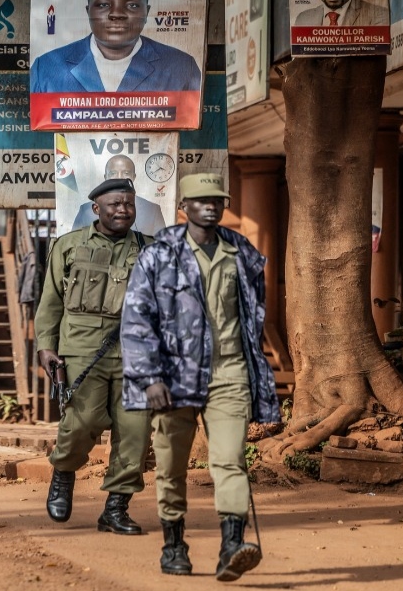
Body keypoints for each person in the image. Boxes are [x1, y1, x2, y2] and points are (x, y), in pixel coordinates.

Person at [121, 173, 280, 581]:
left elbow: (252, 316)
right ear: (184, 207)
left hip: (230, 373)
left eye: (217, 200)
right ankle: (174, 544)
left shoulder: (241, 252)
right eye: (201, 200)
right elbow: (137, 320)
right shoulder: (160, 254)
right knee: (171, 465)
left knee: (230, 460)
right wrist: (149, 376)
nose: (211, 206)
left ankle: (232, 546)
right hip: (173, 377)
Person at [36, 178, 152, 535]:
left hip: (137, 350)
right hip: (82, 348)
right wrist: (46, 346)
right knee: (81, 423)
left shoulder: (152, 251)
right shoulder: (69, 247)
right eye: (115, 204)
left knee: (135, 432)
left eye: (129, 204)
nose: (123, 210)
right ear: (96, 209)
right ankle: (63, 474)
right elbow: (51, 300)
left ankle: (116, 508)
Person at [31, 0, 202, 93]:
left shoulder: (181, 67)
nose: (117, 14)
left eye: (132, 5)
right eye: (104, 5)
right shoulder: (47, 68)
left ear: (147, 12)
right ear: (88, 10)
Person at [71, 155, 166, 235]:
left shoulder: (152, 210)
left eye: (126, 173)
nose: (119, 177)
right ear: (105, 177)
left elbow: (163, 249)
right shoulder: (86, 210)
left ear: (134, 177)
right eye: (113, 173)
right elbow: (74, 244)